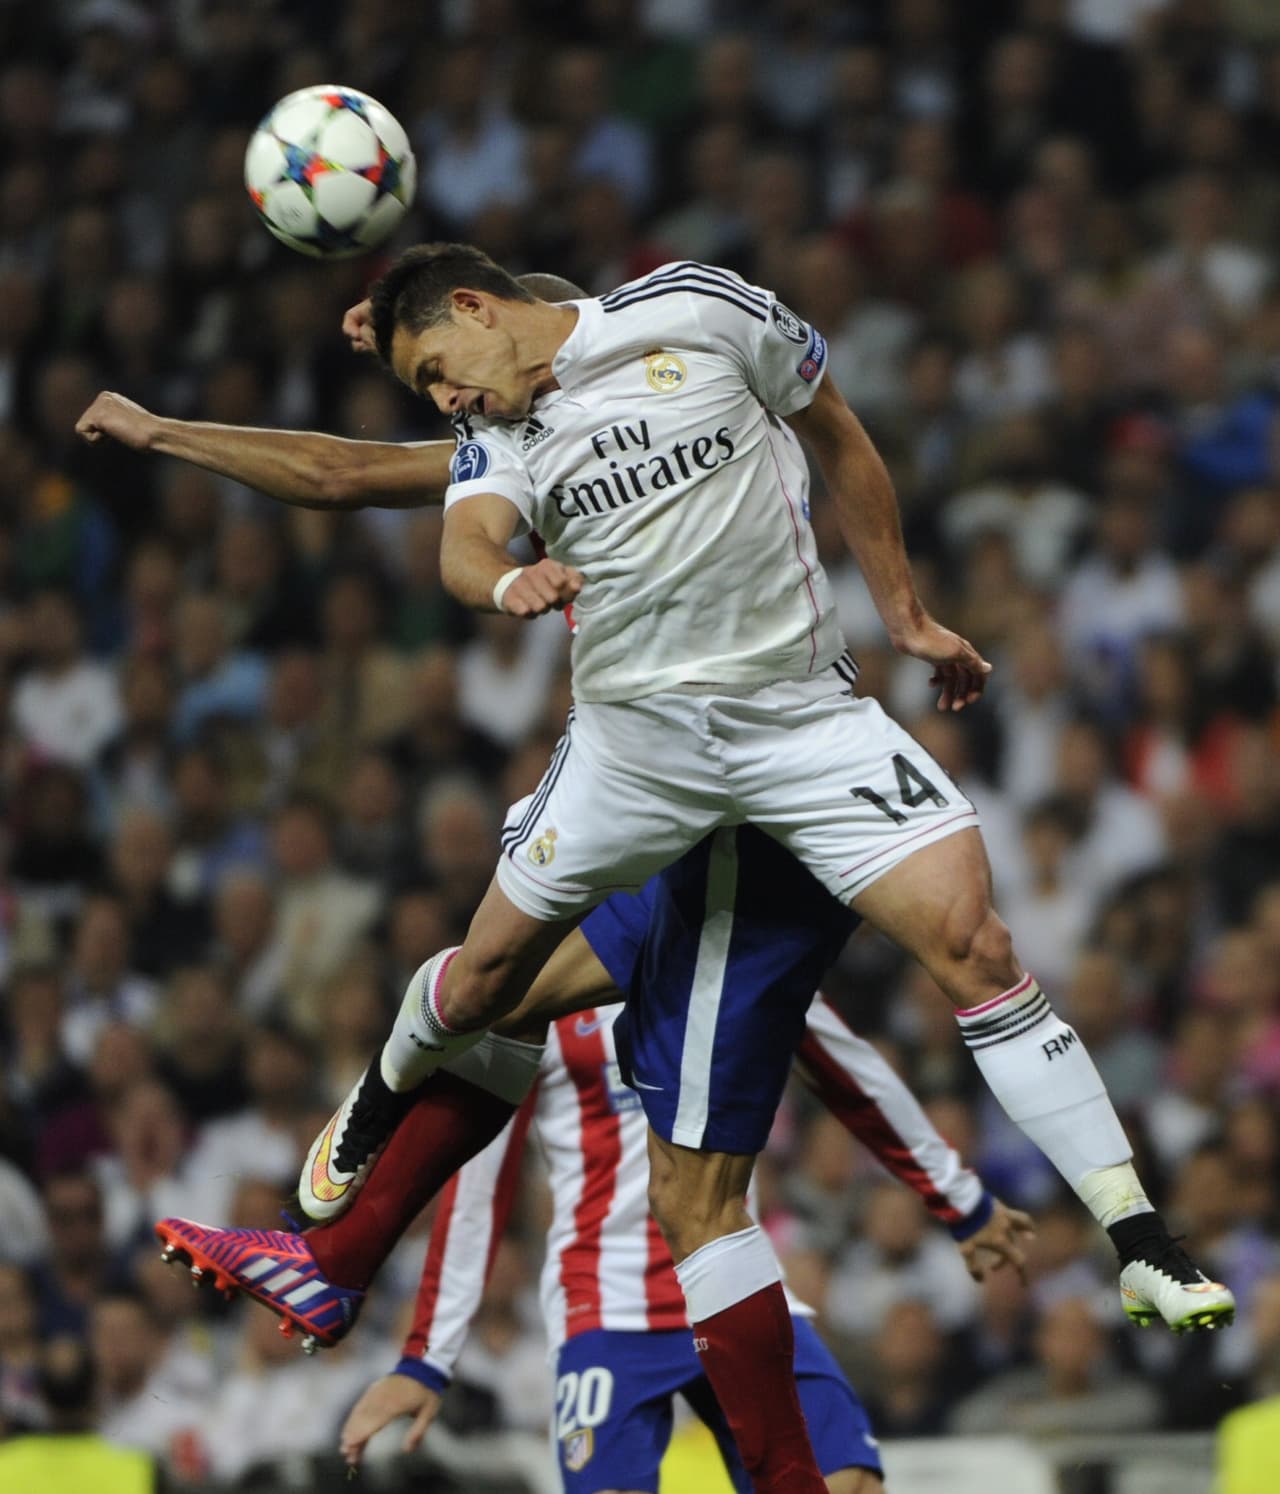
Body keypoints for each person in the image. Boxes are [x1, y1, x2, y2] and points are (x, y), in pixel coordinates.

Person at [78, 254, 1231, 1491]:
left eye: (435, 373)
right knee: (494, 998)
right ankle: (350, 1198)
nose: (444, 404)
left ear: (488, 311)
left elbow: (823, 421)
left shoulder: (690, 317)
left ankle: (1139, 1235)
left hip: (796, 741)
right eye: (423, 387)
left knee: (957, 954)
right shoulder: (505, 432)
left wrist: (903, 613)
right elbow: (363, 482)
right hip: (644, 775)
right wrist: (166, 434)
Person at [156, 838, 1029, 1493]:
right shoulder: (532, 998)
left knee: (851, 1484)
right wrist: (426, 1357)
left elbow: (847, 1069)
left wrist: (960, 1201)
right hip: (604, 1312)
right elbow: (475, 1171)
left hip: (733, 1286)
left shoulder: (714, 958)